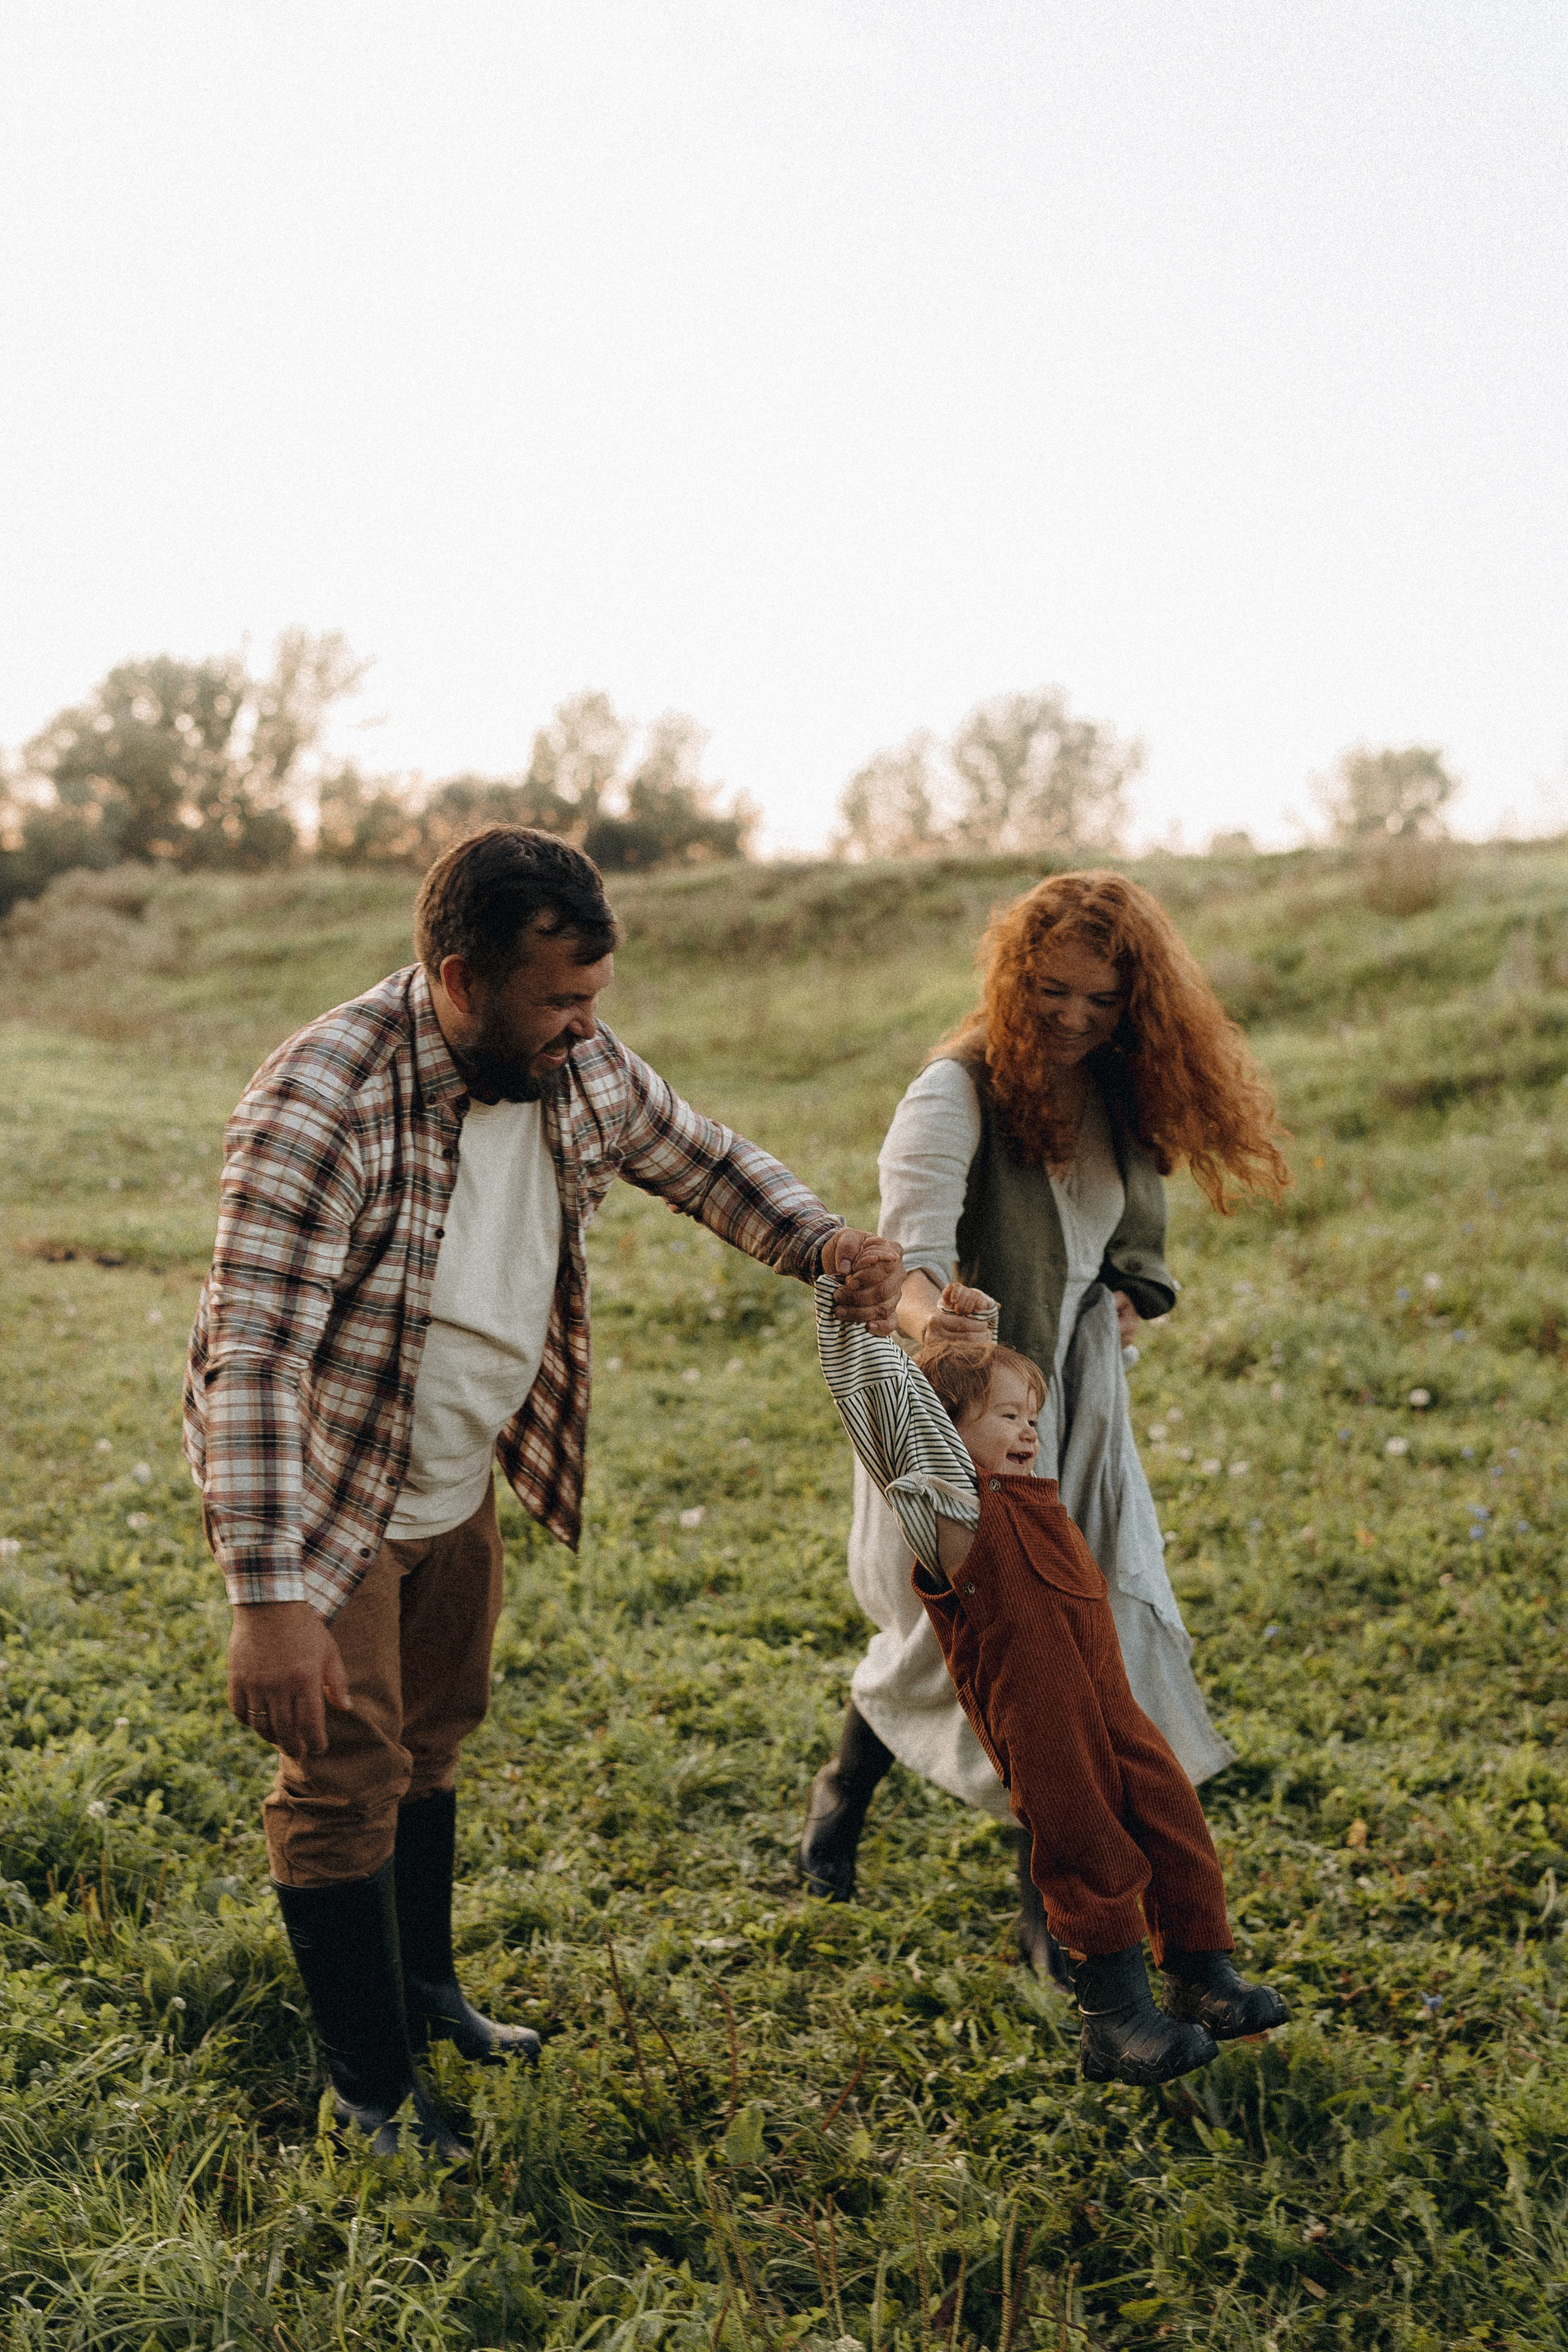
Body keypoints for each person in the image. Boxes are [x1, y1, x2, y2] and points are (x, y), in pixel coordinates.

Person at [183, 826, 903, 2162]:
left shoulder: (575, 1066)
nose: (584, 1029)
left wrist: (821, 1243)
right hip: (332, 1496)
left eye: (594, 1001)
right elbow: (253, 1356)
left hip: (458, 1475)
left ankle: (425, 1991)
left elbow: (701, 1156)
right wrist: (268, 1597)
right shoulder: (319, 1095)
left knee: (433, 1739)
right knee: (344, 1778)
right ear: (459, 979)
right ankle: (368, 2090)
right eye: (557, 1000)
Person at [800, 870, 1290, 1970]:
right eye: (1054, 991)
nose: (1074, 1017)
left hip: (1076, 1395)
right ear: (1015, 980)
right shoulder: (952, 1091)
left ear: (1136, 1004)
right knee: (966, 1635)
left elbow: (1126, 1241)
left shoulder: (1120, 1088)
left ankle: (1046, 1909)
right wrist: (959, 1339)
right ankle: (853, 1806)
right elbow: (910, 1264)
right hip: (964, 1406)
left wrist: (1120, 1292)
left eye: (1103, 1000)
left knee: (1073, 1635)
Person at [813, 1236, 1287, 2085]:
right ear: (950, 1435)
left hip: (1107, 1697)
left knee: (1171, 1807)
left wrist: (974, 1328)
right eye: (1008, 1418)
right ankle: (1113, 2017)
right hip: (1041, 1721)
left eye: (1032, 1416)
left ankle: (1201, 1973)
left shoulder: (1034, 1495)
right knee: (1086, 1839)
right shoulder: (950, 1511)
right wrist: (855, 1319)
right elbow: (882, 1405)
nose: (1029, 1430)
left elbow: (970, 1381)